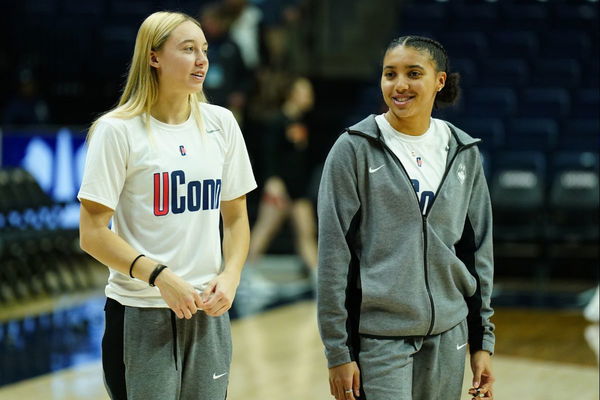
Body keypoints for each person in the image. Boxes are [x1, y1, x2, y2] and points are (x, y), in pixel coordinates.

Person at [78, 11, 256, 400]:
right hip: (140, 310)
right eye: (188, 49)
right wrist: (160, 277)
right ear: (154, 57)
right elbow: (92, 235)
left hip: (208, 313)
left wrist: (231, 276)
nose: (202, 60)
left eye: (204, 50)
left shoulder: (222, 123)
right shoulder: (117, 130)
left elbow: (237, 219)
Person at [317, 35, 495, 400]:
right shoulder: (353, 149)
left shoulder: (463, 152)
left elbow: (477, 253)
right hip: (379, 339)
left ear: (439, 81)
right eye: (389, 74)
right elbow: (334, 257)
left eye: (413, 73)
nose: (399, 85)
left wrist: (482, 342)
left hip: (450, 335)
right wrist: (339, 351)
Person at [248, 76, 318, 273]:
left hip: (298, 189)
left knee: (306, 232)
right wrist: (272, 180)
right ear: (292, 94)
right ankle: (243, 276)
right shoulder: (277, 121)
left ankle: (318, 281)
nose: (309, 97)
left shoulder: (302, 122)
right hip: (279, 187)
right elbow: (268, 154)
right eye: (305, 92)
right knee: (265, 230)